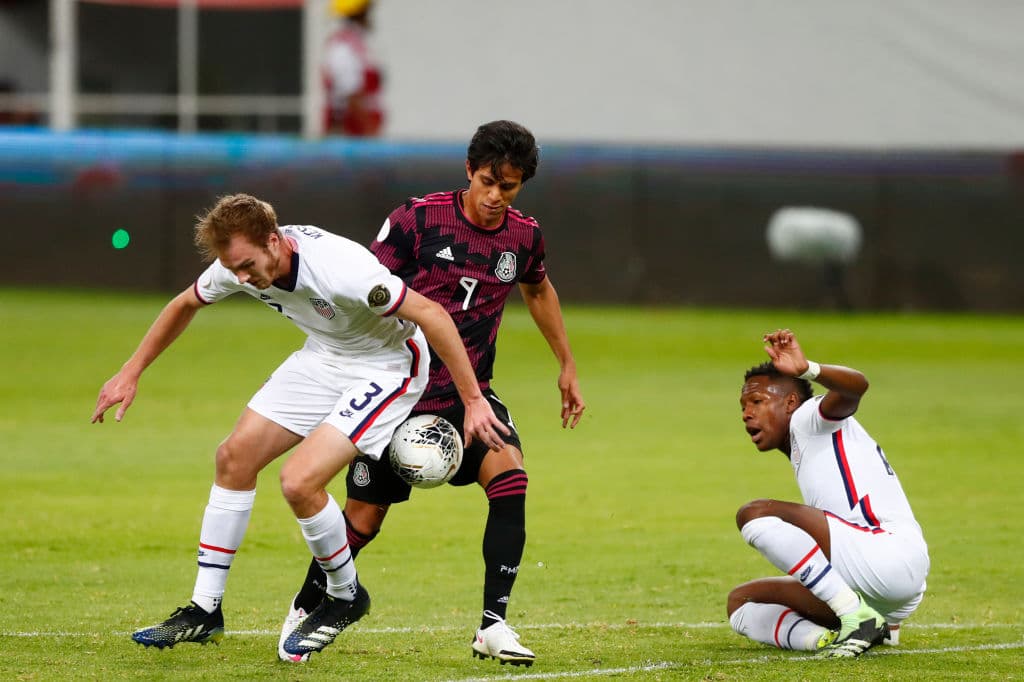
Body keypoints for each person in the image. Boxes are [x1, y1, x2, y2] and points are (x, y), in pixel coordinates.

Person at [91, 193, 508, 662]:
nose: (242, 278)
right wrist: (131, 371)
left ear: (275, 241)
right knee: (233, 458)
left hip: (387, 366)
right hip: (323, 357)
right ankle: (204, 610)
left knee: (299, 481)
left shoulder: (343, 270)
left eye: (248, 265)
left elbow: (431, 315)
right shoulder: (236, 264)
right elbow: (184, 303)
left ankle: (346, 596)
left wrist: (473, 401)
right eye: (234, 269)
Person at [281, 120, 586, 667]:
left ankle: (494, 625)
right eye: (488, 181)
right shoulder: (417, 220)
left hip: (470, 393)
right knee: (362, 520)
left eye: (509, 186)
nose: (495, 196)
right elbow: (363, 290)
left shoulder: (523, 235)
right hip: (399, 392)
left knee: (510, 478)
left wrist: (566, 363)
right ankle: (309, 606)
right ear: (469, 170)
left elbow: (538, 289)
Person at [728, 329, 929, 658]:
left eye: (757, 402)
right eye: (744, 405)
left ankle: (855, 616)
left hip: (885, 556)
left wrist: (809, 369)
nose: (746, 413)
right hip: (890, 587)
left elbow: (856, 387)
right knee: (742, 603)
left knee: (754, 513)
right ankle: (841, 635)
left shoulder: (808, 418)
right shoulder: (804, 443)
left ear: (791, 402)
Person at [322, 0, 384, 136]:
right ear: (358, 14)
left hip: (357, 135)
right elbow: (351, 95)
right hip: (351, 138)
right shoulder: (343, 48)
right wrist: (370, 131)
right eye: (367, 11)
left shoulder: (356, 46)